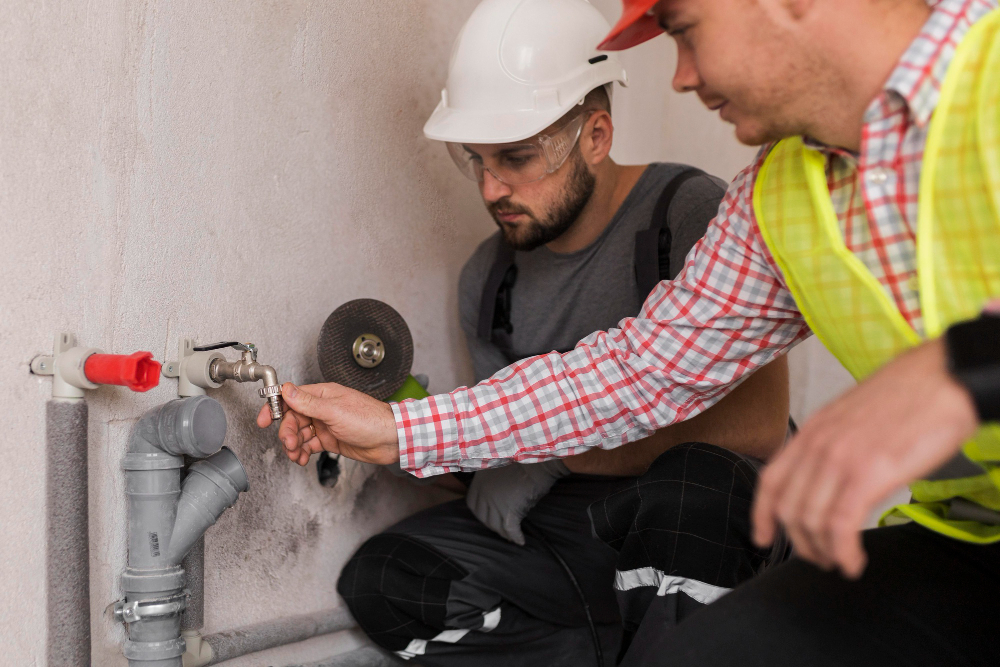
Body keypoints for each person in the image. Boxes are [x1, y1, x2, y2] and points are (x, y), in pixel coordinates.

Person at [261, 0, 1000, 664]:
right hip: (965, 537)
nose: (680, 76)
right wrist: (397, 429)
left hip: (701, 508)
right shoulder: (780, 198)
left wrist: (962, 368)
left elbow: (750, 426)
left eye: (685, 30)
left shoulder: (988, 78)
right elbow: (639, 371)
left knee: (695, 512)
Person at [333, 1, 790, 664]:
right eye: (476, 160)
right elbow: (508, 444)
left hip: (709, 521)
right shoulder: (488, 279)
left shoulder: (689, 216)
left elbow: (758, 424)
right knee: (388, 577)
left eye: (516, 157)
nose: (492, 189)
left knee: (692, 492)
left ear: (595, 135)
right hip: (580, 529)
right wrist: (416, 439)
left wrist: (558, 455)